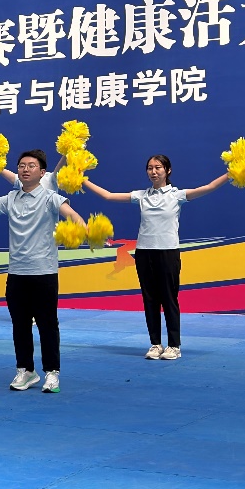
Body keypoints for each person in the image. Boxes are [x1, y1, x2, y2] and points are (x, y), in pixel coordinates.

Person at [0, 150, 85, 394]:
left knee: (47, 325)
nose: (25, 169)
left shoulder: (51, 198)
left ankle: (52, 372)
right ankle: (26, 370)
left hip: (44, 272)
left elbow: (75, 218)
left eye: (31, 166)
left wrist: (81, 230)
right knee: (20, 324)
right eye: (22, 165)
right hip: (16, 273)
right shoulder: (10, 198)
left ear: (42, 173)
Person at [84, 155, 229, 361]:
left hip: (168, 252)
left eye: (158, 167)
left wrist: (231, 174)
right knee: (149, 299)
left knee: (169, 298)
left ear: (168, 170)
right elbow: (108, 196)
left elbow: (209, 187)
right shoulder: (141, 196)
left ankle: (174, 345)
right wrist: (82, 180)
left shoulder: (177, 195)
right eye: (150, 168)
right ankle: (155, 344)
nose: (153, 171)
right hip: (144, 253)